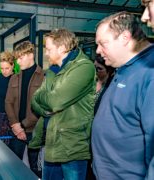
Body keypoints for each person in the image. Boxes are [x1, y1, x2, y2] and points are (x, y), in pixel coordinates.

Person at [92, 11, 154, 179]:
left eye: (102, 43)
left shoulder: (149, 71)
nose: (98, 51)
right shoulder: (124, 67)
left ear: (125, 38)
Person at [30, 28, 95, 180]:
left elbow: (55, 101)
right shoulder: (52, 70)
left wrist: (46, 99)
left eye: (48, 49)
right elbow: (35, 99)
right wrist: (46, 111)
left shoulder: (83, 67)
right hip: (52, 142)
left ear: (62, 48)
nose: (46, 53)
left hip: (72, 147)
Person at [5, 41, 44, 177]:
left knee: (35, 167)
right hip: (16, 130)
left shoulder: (44, 77)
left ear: (30, 55)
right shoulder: (14, 77)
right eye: (17, 58)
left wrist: (22, 125)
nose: (18, 62)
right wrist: (15, 125)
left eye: (20, 58)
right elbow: (8, 102)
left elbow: (42, 107)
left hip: (35, 130)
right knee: (13, 165)